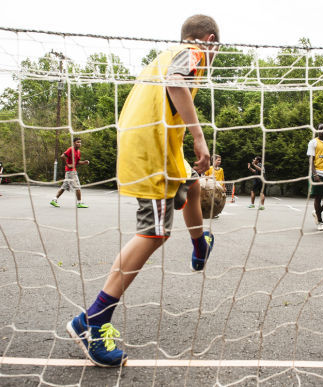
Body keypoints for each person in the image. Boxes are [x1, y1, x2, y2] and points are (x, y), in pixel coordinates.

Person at [65, 14, 219, 367]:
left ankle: (200, 244)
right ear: (209, 41)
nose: (212, 61)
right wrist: (199, 137)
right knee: (154, 234)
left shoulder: (162, 56)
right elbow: (175, 82)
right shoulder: (191, 53)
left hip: (157, 145)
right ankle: (92, 321)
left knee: (193, 186)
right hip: (151, 152)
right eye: (216, 53)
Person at [50, 138, 89, 208]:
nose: (79, 144)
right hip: (70, 172)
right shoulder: (71, 149)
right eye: (77, 142)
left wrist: (84, 162)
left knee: (64, 187)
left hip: (71, 171)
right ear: (74, 143)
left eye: (80, 142)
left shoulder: (78, 152)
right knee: (77, 187)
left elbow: (77, 162)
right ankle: (79, 203)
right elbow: (62, 156)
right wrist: (67, 165)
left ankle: (54, 200)